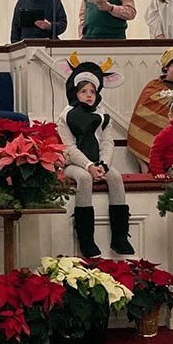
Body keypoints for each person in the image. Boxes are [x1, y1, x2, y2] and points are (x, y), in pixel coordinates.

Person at [56, 55, 134, 257]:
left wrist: (104, 165)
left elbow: (107, 142)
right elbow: (69, 147)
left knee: (115, 177)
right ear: (75, 92)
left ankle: (120, 236)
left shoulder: (102, 115)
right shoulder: (66, 116)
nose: (89, 95)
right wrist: (89, 165)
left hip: (98, 162)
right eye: (83, 91)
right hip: (74, 162)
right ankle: (86, 238)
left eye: (92, 91)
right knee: (84, 178)